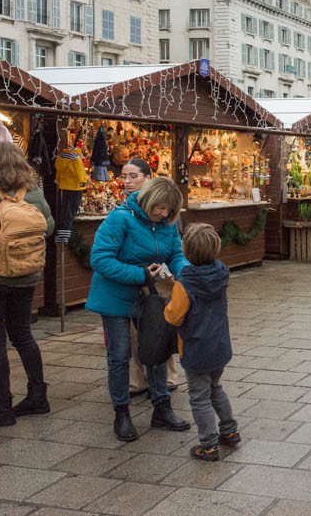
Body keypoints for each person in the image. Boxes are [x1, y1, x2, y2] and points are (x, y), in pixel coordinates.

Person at [87, 177, 192, 442]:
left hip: (152, 297)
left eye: (170, 210)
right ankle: (121, 414)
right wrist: (140, 274)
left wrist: (186, 274)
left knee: (155, 350)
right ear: (148, 201)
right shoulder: (119, 219)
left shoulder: (167, 224)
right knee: (120, 356)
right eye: (160, 207)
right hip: (116, 297)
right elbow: (100, 259)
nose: (164, 213)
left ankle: (161, 408)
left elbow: (175, 255)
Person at [0, 142, 54, 427]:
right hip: (26, 275)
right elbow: (50, 226)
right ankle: (37, 396)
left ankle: (2, 408)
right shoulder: (31, 192)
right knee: (22, 334)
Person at [164, 223, 240, 462]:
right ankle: (229, 431)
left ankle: (208, 444)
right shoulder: (221, 274)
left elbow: (174, 316)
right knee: (215, 388)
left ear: (186, 251)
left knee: (199, 396)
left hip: (196, 350)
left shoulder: (184, 283)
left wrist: (165, 308)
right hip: (219, 346)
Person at [120, 159, 181, 398]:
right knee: (134, 334)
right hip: (134, 279)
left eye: (133, 176)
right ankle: (137, 380)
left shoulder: (165, 206)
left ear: (147, 178)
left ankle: (166, 378)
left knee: (158, 328)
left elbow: (175, 247)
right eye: (124, 176)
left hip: (159, 278)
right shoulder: (124, 211)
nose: (127, 181)